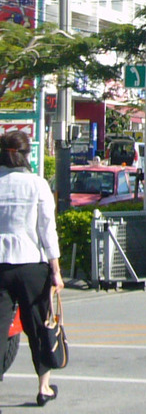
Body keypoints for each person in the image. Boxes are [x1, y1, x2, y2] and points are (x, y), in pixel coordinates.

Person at [0, 130, 63, 405]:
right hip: (31, 265)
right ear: (26, 156)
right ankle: (43, 387)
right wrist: (56, 271)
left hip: (0, 265)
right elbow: (48, 229)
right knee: (38, 328)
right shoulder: (37, 184)